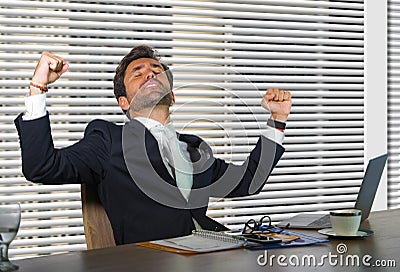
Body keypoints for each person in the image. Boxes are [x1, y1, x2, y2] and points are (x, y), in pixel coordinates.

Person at [14, 45, 292, 245]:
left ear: (171, 97)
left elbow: (248, 181)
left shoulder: (195, 148)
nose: (150, 74)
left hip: (212, 254)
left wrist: (276, 121)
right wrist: (38, 87)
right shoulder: (107, 139)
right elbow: (42, 167)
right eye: (138, 73)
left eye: (157, 71)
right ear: (124, 103)